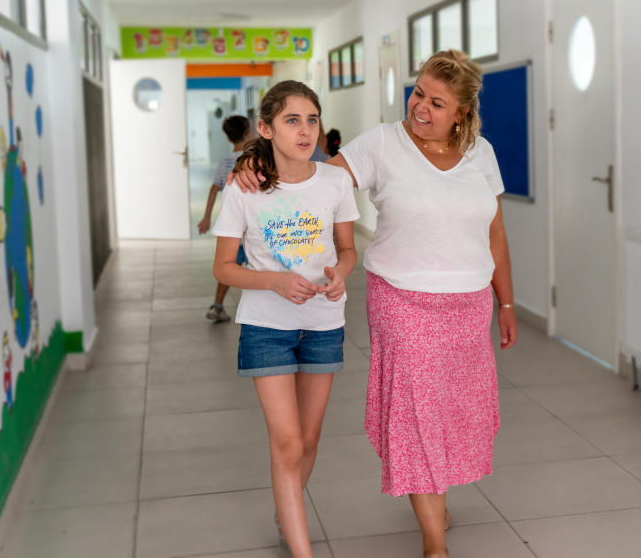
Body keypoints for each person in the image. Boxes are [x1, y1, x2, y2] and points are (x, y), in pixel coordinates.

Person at [233, 50, 518, 558]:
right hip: (402, 302)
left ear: (462, 113)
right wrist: (257, 162)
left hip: (468, 305)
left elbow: (494, 230)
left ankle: (437, 500)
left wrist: (508, 304)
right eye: (418, 93)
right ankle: (434, 542)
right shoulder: (382, 144)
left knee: (450, 412)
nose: (421, 108)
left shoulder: (482, 153)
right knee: (416, 413)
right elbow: (311, 179)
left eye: (436, 102)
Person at [213, 80, 359, 558]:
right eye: (292, 120)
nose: (304, 130)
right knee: (288, 441)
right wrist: (273, 280)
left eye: (312, 120)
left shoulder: (335, 182)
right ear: (266, 128)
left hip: (324, 322)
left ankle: (286, 507)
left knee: (310, 439)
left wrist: (342, 273)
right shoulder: (244, 186)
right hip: (265, 327)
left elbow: (347, 249)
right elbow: (223, 268)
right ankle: (302, 549)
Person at [198, 115, 251, 322]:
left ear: (229, 139)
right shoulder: (257, 159)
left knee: (229, 267)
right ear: (249, 133)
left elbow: (214, 189)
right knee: (260, 267)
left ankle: (217, 305)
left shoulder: (226, 161)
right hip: (253, 228)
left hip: (233, 229)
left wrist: (206, 218)